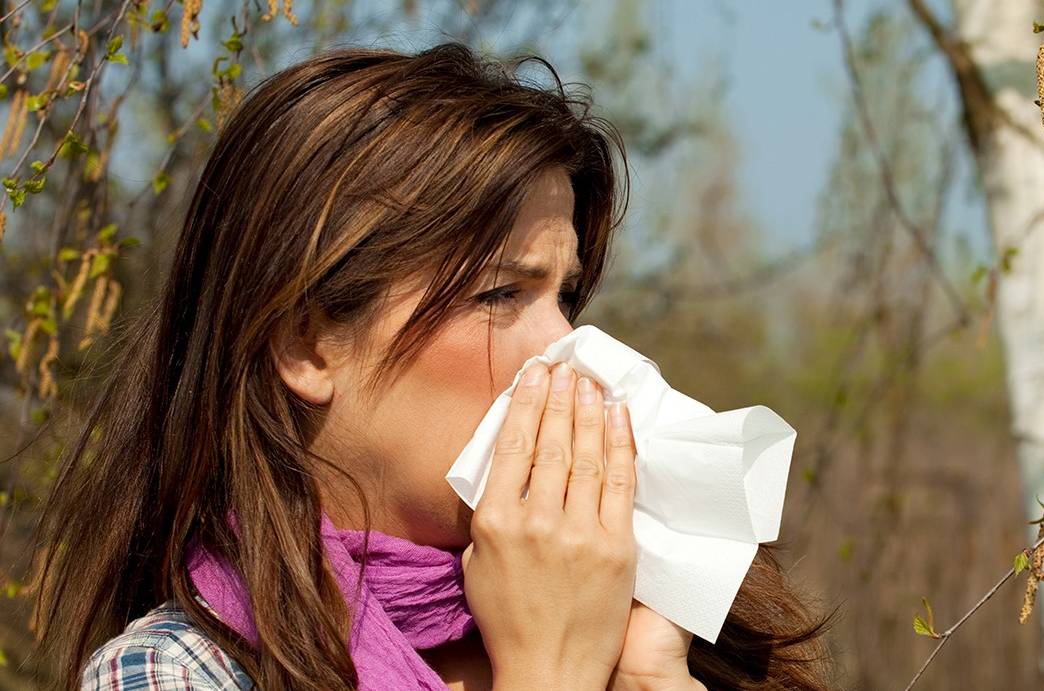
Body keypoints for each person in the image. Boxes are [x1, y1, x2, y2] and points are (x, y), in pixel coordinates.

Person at [29, 42, 834, 690]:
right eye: (498, 294)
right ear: (307, 344)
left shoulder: (665, 641)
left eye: (565, 296)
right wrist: (549, 671)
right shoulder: (176, 671)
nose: (565, 349)